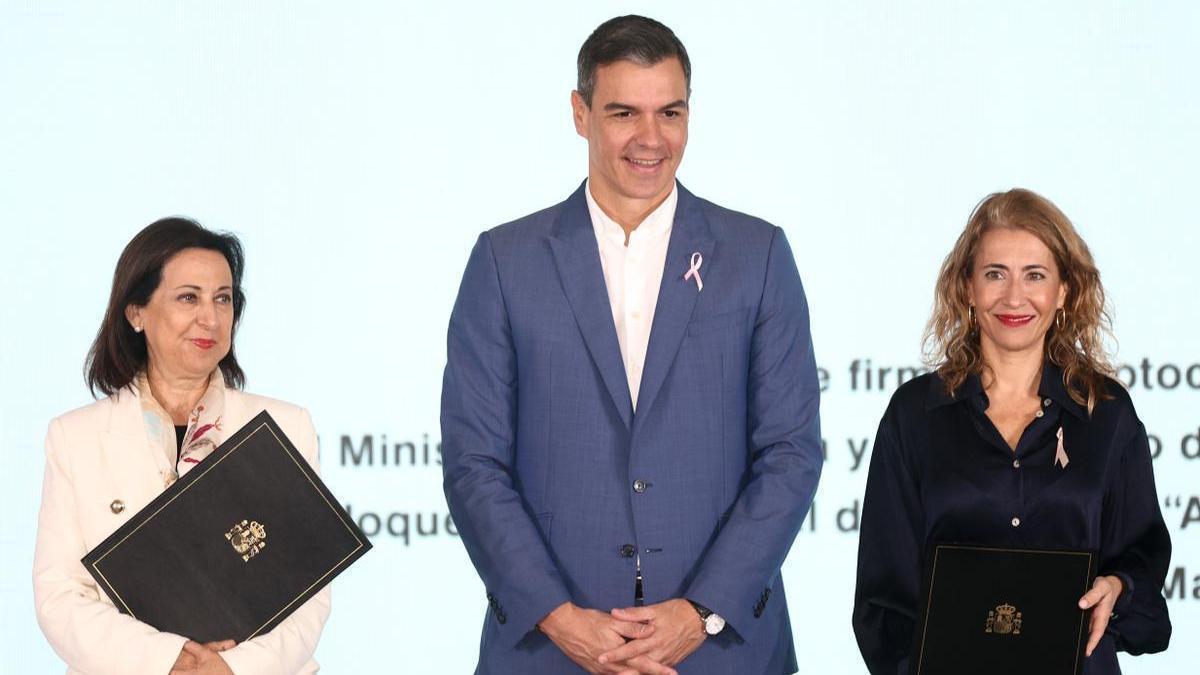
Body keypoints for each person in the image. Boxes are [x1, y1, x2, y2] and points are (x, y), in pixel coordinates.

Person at [441, 15, 823, 675]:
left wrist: (700, 610)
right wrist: (561, 618)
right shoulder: (506, 262)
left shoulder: (756, 255)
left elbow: (790, 453)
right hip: (552, 651)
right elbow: (475, 463)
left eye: (669, 112)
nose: (651, 138)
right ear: (580, 113)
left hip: (721, 649)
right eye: (624, 112)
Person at [852, 189, 1172, 674]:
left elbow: (1143, 569)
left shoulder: (1107, 414)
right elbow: (883, 601)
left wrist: (1119, 588)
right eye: (995, 274)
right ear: (967, 288)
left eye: (1035, 276)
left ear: (1064, 290)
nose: (1014, 297)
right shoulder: (913, 415)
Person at [33, 218, 331, 674]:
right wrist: (169, 660)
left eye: (223, 299)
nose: (209, 318)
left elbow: (307, 592)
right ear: (136, 311)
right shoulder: (75, 438)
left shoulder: (285, 427)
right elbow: (61, 596)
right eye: (188, 297)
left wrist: (233, 667)